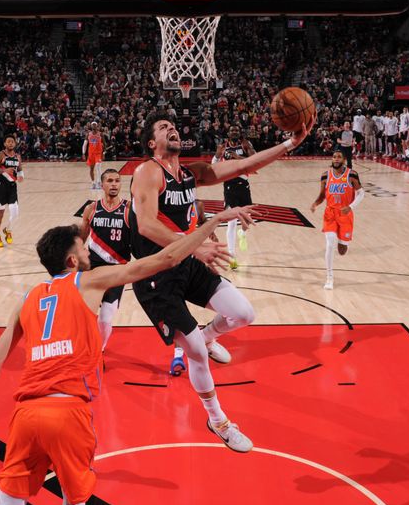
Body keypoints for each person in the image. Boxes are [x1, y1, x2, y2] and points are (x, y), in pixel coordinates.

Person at [0, 207, 255, 505]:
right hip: (68, 411)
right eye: (83, 248)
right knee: (74, 501)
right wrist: (212, 224)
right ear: (72, 261)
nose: (89, 251)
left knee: (9, 504)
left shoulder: (27, 299)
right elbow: (165, 259)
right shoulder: (88, 281)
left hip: (26, 415)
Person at [129, 110, 313, 452]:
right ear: (152, 143)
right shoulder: (146, 172)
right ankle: (219, 422)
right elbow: (146, 225)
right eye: (163, 127)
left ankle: (211, 336)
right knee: (195, 351)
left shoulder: (188, 173)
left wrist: (290, 142)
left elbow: (243, 166)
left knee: (243, 314)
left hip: (186, 261)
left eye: (173, 125)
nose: (172, 128)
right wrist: (196, 246)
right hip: (157, 273)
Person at [79, 169, 131, 350]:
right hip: (92, 268)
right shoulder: (91, 209)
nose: (114, 184)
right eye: (110, 181)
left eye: (117, 181)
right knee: (85, 313)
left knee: (106, 316)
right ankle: (84, 347)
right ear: (102, 185)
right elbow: (81, 238)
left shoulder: (129, 209)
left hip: (116, 270)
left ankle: (98, 350)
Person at [310, 150, 364, 290]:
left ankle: (343, 242)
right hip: (330, 213)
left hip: (345, 214)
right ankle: (329, 277)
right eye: (334, 157)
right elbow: (322, 195)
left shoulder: (351, 174)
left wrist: (351, 207)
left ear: (344, 160)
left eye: (339, 157)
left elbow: (361, 193)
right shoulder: (325, 175)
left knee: (342, 250)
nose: (335, 159)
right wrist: (316, 203)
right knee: (330, 243)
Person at [212, 125, 255, 270]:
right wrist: (217, 156)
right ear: (228, 133)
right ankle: (231, 257)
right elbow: (213, 166)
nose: (235, 132)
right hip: (229, 185)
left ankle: (242, 232)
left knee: (248, 218)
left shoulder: (245, 144)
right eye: (232, 130)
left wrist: (239, 158)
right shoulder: (222, 147)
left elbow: (255, 160)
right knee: (231, 221)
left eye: (237, 130)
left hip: (244, 184)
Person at [0, 135, 24, 248]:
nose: (10, 143)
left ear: (15, 144)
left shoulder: (17, 156)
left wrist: (21, 176)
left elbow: (19, 170)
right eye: (8, 142)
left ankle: (7, 230)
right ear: (5, 144)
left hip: (12, 186)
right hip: (1, 186)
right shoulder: (0, 155)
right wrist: (4, 170)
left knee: (15, 212)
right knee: (0, 213)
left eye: (12, 142)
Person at [83, 122, 104, 189]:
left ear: (97, 126)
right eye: (93, 125)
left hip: (98, 153)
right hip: (91, 154)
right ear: (91, 126)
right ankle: (93, 183)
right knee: (91, 169)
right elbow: (84, 145)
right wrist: (83, 153)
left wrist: (104, 153)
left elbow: (105, 144)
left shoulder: (100, 134)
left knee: (98, 166)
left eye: (95, 125)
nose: (94, 126)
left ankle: (99, 182)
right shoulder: (88, 134)